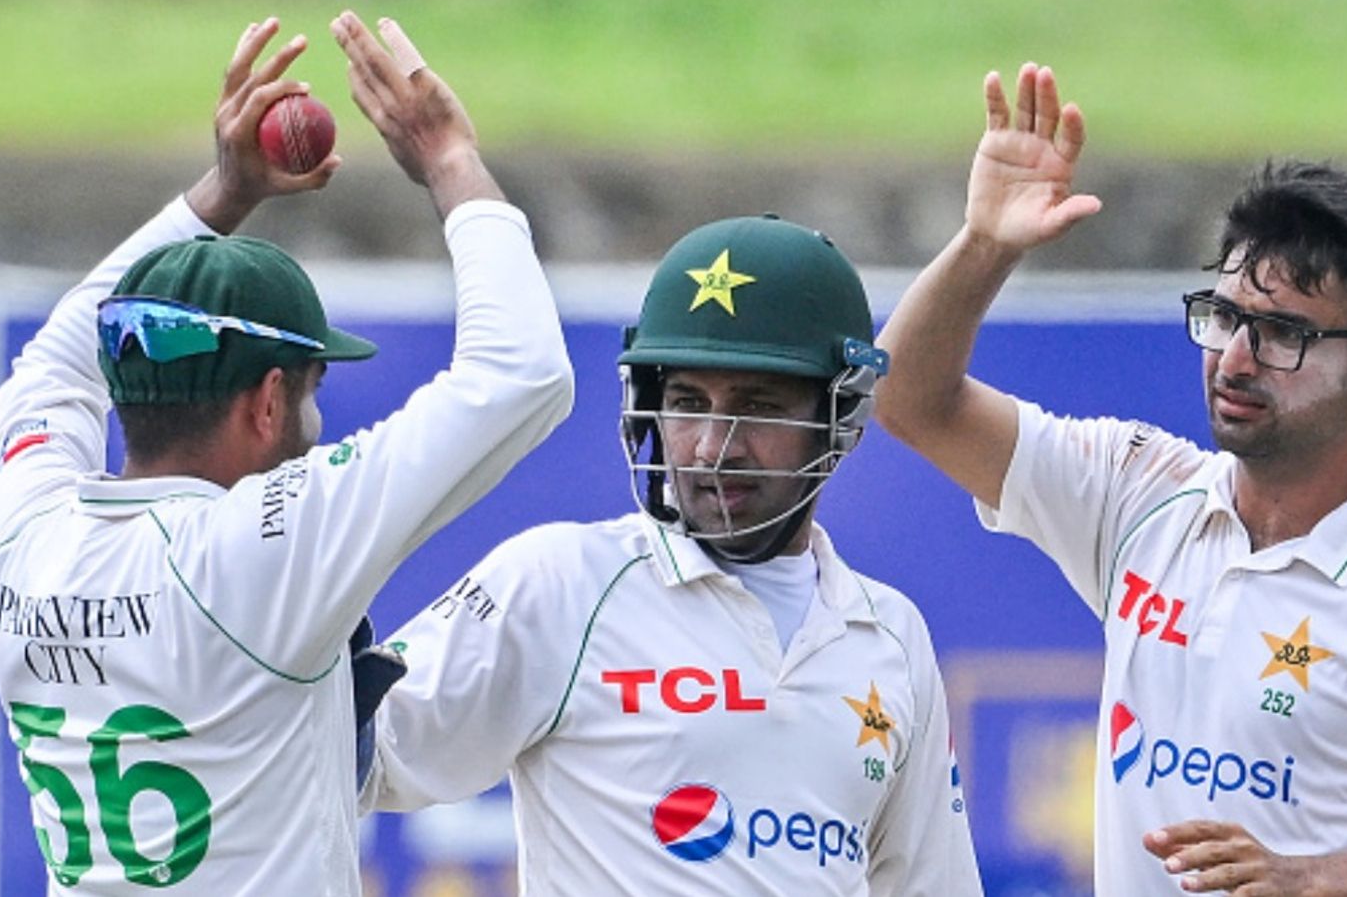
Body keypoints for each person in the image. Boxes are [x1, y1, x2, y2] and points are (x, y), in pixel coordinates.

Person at [873, 62, 1347, 895]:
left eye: (1282, 334)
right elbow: (909, 397)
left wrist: (1307, 879)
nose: (1234, 357)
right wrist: (985, 244)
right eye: (1225, 316)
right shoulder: (1139, 489)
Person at [0, 12, 572, 895]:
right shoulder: (256, 551)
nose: (314, 422)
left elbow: (55, 361)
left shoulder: (26, 535)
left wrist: (216, 197)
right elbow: (521, 375)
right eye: (311, 392)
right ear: (266, 402)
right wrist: (450, 161)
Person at [359, 215, 981, 895]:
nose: (714, 446)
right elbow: (350, 757)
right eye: (688, 402)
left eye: (760, 406)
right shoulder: (564, 582)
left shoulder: (890, 633)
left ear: (840, 417)